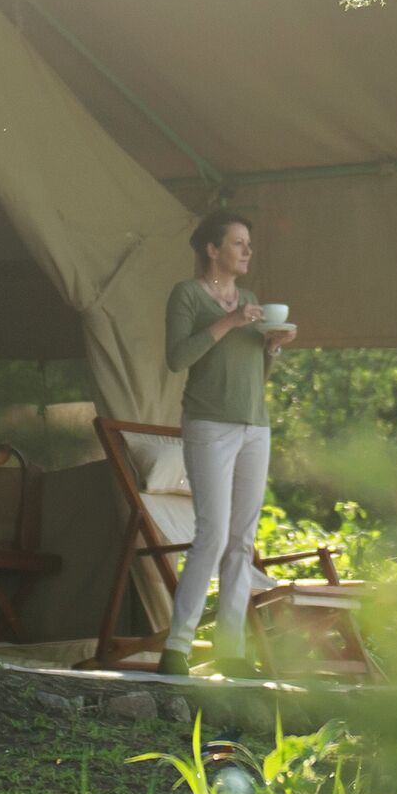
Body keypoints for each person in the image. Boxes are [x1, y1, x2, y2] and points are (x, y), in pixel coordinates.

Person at [160, 207, 296, 676]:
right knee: (213, 535)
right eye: (238, 243)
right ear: (212, 249)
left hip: (255, 425)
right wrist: (230, 321)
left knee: (242, 540)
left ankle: (231, 651)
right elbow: (178, 358)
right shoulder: (187, 295)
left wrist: (272, 347)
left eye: (249, 244)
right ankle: (177, 647)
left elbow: (254, 373)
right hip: (209, 425)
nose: (247, 251)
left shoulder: (251, 299)